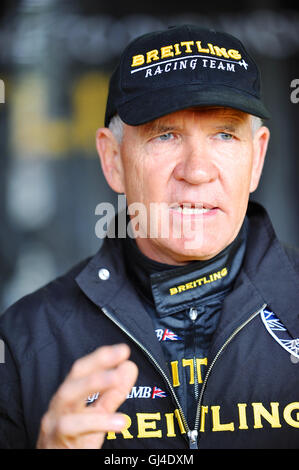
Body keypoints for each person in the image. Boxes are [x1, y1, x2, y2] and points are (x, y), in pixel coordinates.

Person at [0, 24, 299, 450]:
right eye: (165, 135)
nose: (197, 171)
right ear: (113, 160)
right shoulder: (24, 341)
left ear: (257, 158)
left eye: (225, 134)